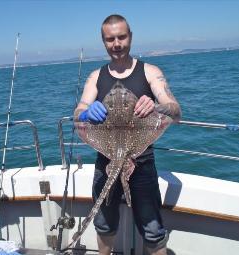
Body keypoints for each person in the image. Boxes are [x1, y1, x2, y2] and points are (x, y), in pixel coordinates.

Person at [74, 14, 181, 255]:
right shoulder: (96, 77)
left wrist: (157, 106)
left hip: (142, 164)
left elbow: (176, 111)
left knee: (153, 231)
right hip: (106, 161)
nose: (117, 43)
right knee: (104, 225)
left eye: (121, 37)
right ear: (104, 41)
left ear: (130, 37)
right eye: (110, 39)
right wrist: (85, 113)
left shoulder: (150, 72)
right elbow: (77, 112)